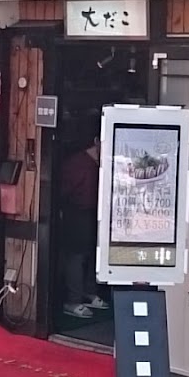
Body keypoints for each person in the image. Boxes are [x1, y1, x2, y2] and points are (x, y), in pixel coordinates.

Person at [60, 130, 106, 319]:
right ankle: (73, 301)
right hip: (77, 214)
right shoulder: (76, 164)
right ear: (96, 141)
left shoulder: (101, 163)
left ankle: (89, 292)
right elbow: (63, 191)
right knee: (76, 258)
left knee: (93, 255)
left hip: (96, 214)